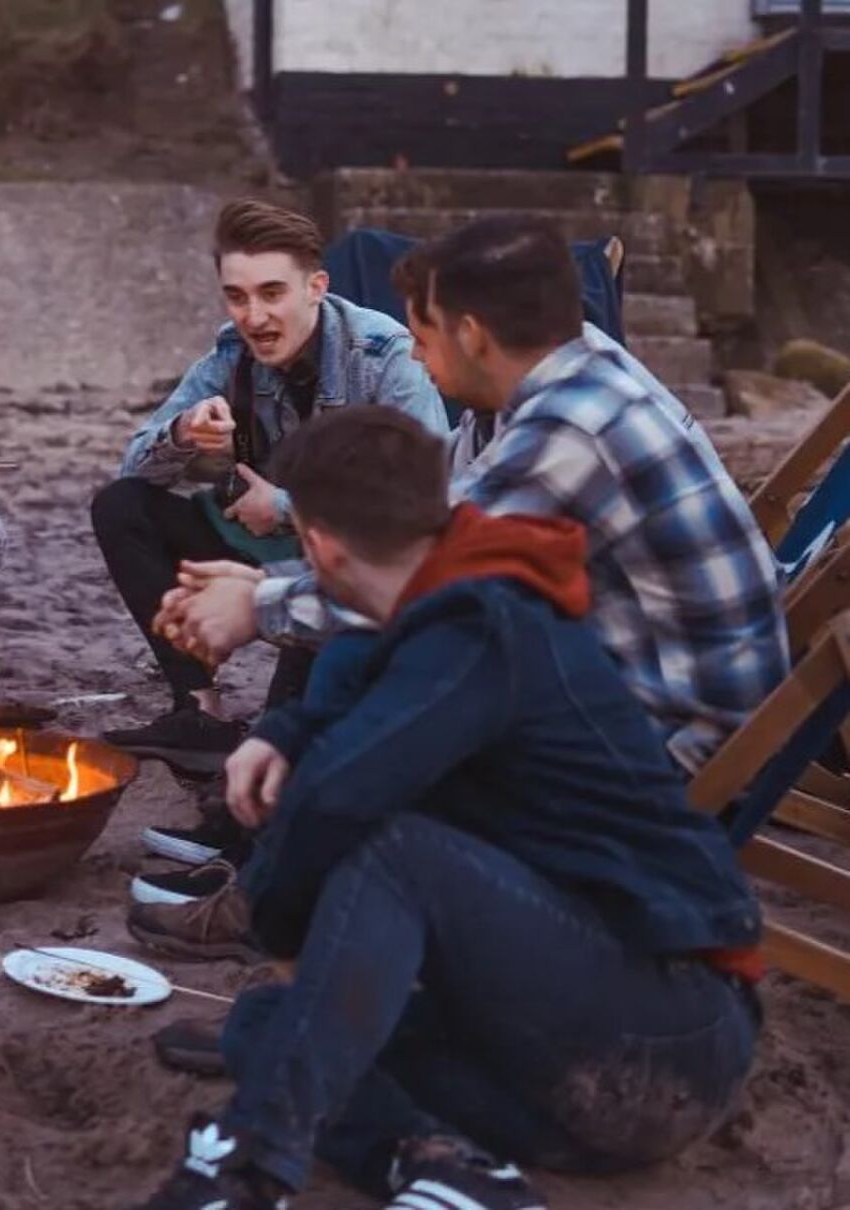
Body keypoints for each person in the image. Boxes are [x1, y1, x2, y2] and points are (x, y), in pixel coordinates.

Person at [131, 407, 762, 1210]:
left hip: (664, 1041)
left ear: (316, 546)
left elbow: (336, 802)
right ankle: (445, 1167)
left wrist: (279, 926)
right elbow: (358, 672)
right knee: (265, 1025)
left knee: (393, 851)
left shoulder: (486, 624)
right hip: (547, 1073)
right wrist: (282, 731)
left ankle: (250, 1167)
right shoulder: (440, 595)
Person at [155, 215, 787, 775]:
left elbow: (431, 577)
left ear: (474, 336)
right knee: (362, 656)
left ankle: (269, 867)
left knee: (396, 677)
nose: (418, 361)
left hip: (681, 731)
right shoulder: (547, 375)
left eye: (423, 342)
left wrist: (257, 605)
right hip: (622, 666)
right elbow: (432, 511)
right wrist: (295, 564)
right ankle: (262, 846)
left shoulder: (570, 427)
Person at [93, 200, 446, 778]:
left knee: (285, 738)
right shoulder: (230, 353)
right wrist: (185, 432)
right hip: (264, 547)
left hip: (353, 563)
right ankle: (199, 712)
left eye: (272, 293)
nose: (253, 316)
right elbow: (133, 464)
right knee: (122, 507)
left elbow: (424, 503)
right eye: (237, 297)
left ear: (316, 287)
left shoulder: (383, 355)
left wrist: (284, 507)